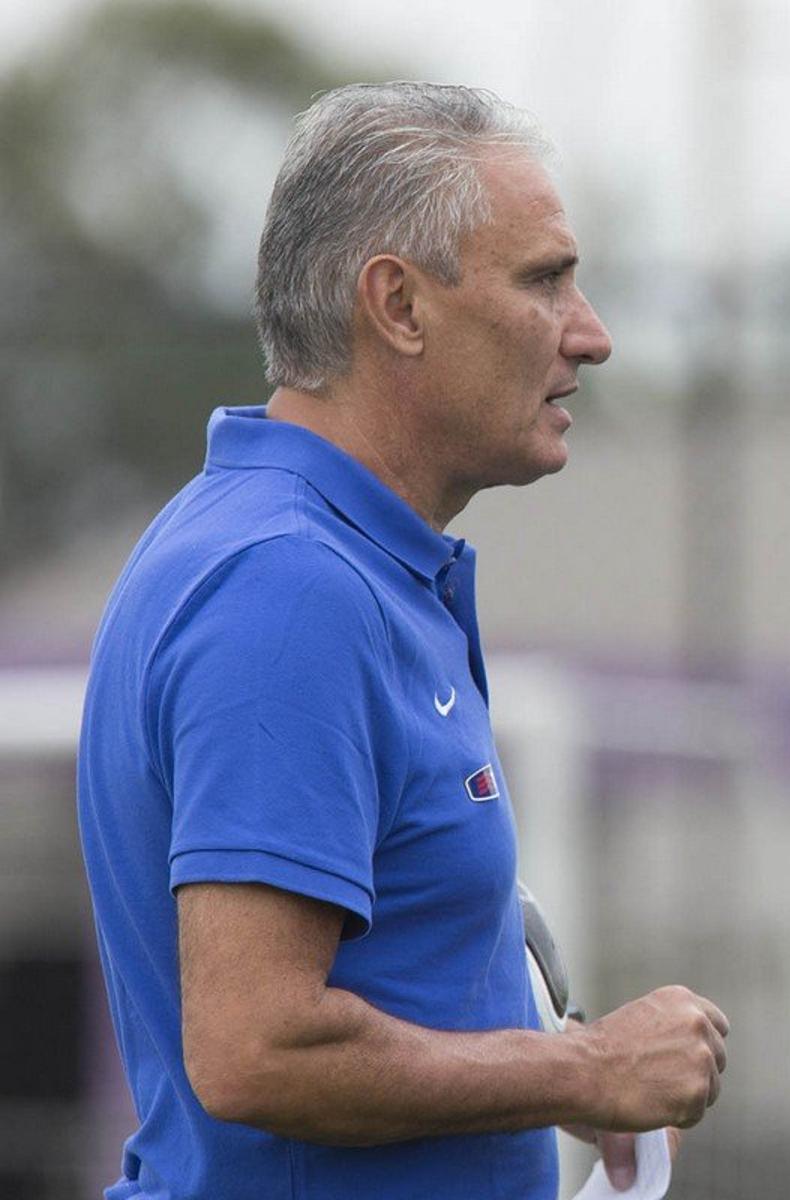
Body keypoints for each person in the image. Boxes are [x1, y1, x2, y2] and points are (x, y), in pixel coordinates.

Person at [76, 83, 727, 1200]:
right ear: (400, 305)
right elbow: (257, 1049)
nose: (593, 333)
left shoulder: (321, 556)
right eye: (544, 279)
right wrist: (584, 1070)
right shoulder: (288, 589)